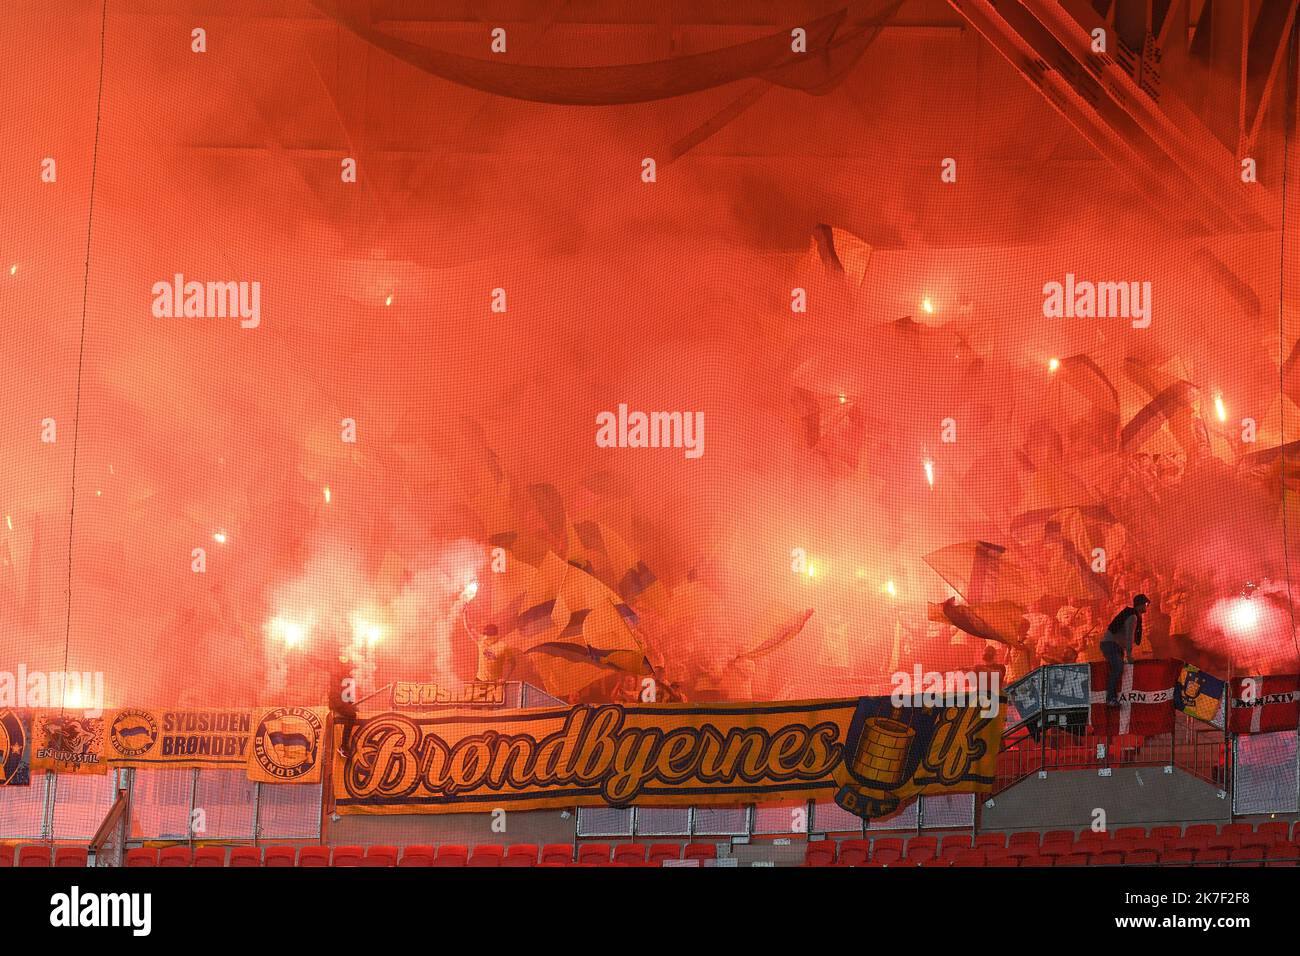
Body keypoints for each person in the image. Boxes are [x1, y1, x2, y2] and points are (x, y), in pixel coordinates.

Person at [1101, 594, 1149, 706]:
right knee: (1118, 667)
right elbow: (1129, 636)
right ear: (1140, 605)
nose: (1147, 607)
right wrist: (1129, 654)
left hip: (1115, 645)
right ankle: (1110, 699)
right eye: (1146, 604)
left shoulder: (1133, 615)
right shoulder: (1132, 617)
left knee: (1119, 668)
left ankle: (1114, 697)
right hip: (1111, 645)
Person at [327, 655, 358, 759]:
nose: (351, 668)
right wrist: (348, 706)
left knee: (352, 713)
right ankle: (343, 747)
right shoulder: (338, 675)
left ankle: (344, 746)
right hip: (337, 703)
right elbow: (340, 695)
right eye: (349, 666)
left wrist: (351, 705)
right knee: (352, 715)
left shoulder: (348, 677)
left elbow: (348, 696)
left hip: (340, 703)